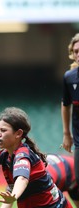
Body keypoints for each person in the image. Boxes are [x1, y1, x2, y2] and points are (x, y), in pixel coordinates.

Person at [0, 153, 79, 208]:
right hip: (64, 171)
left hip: (73, 171)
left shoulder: (43, 179)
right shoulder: (19, 176)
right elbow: (7, 203)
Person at [61, 33, 79, 189]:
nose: (78, 54)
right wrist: (67, 134)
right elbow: (65, 105)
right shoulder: (69, 77)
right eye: (76, 51)